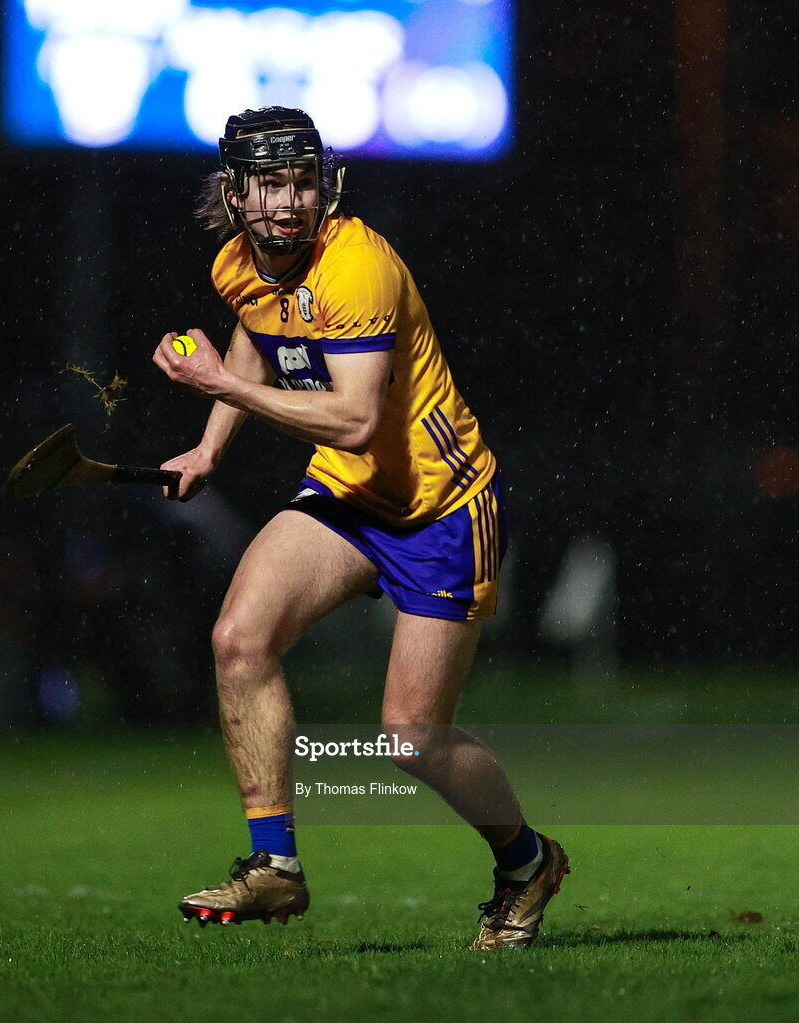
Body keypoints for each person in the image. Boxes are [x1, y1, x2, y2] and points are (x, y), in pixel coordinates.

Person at [152, 106, 568, 950]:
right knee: (240, 637)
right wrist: (207, 448)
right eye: (269, 182)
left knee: (412, 739)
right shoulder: (237, 263)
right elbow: (254, 334)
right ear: (234, 193)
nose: (289, 200)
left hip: (437, 508)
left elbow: (349, 419)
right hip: (347, 497)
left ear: (324, 183)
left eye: (302, 179)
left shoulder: (357, 267)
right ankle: (275, 867)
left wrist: (220, 392)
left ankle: (528, 861)